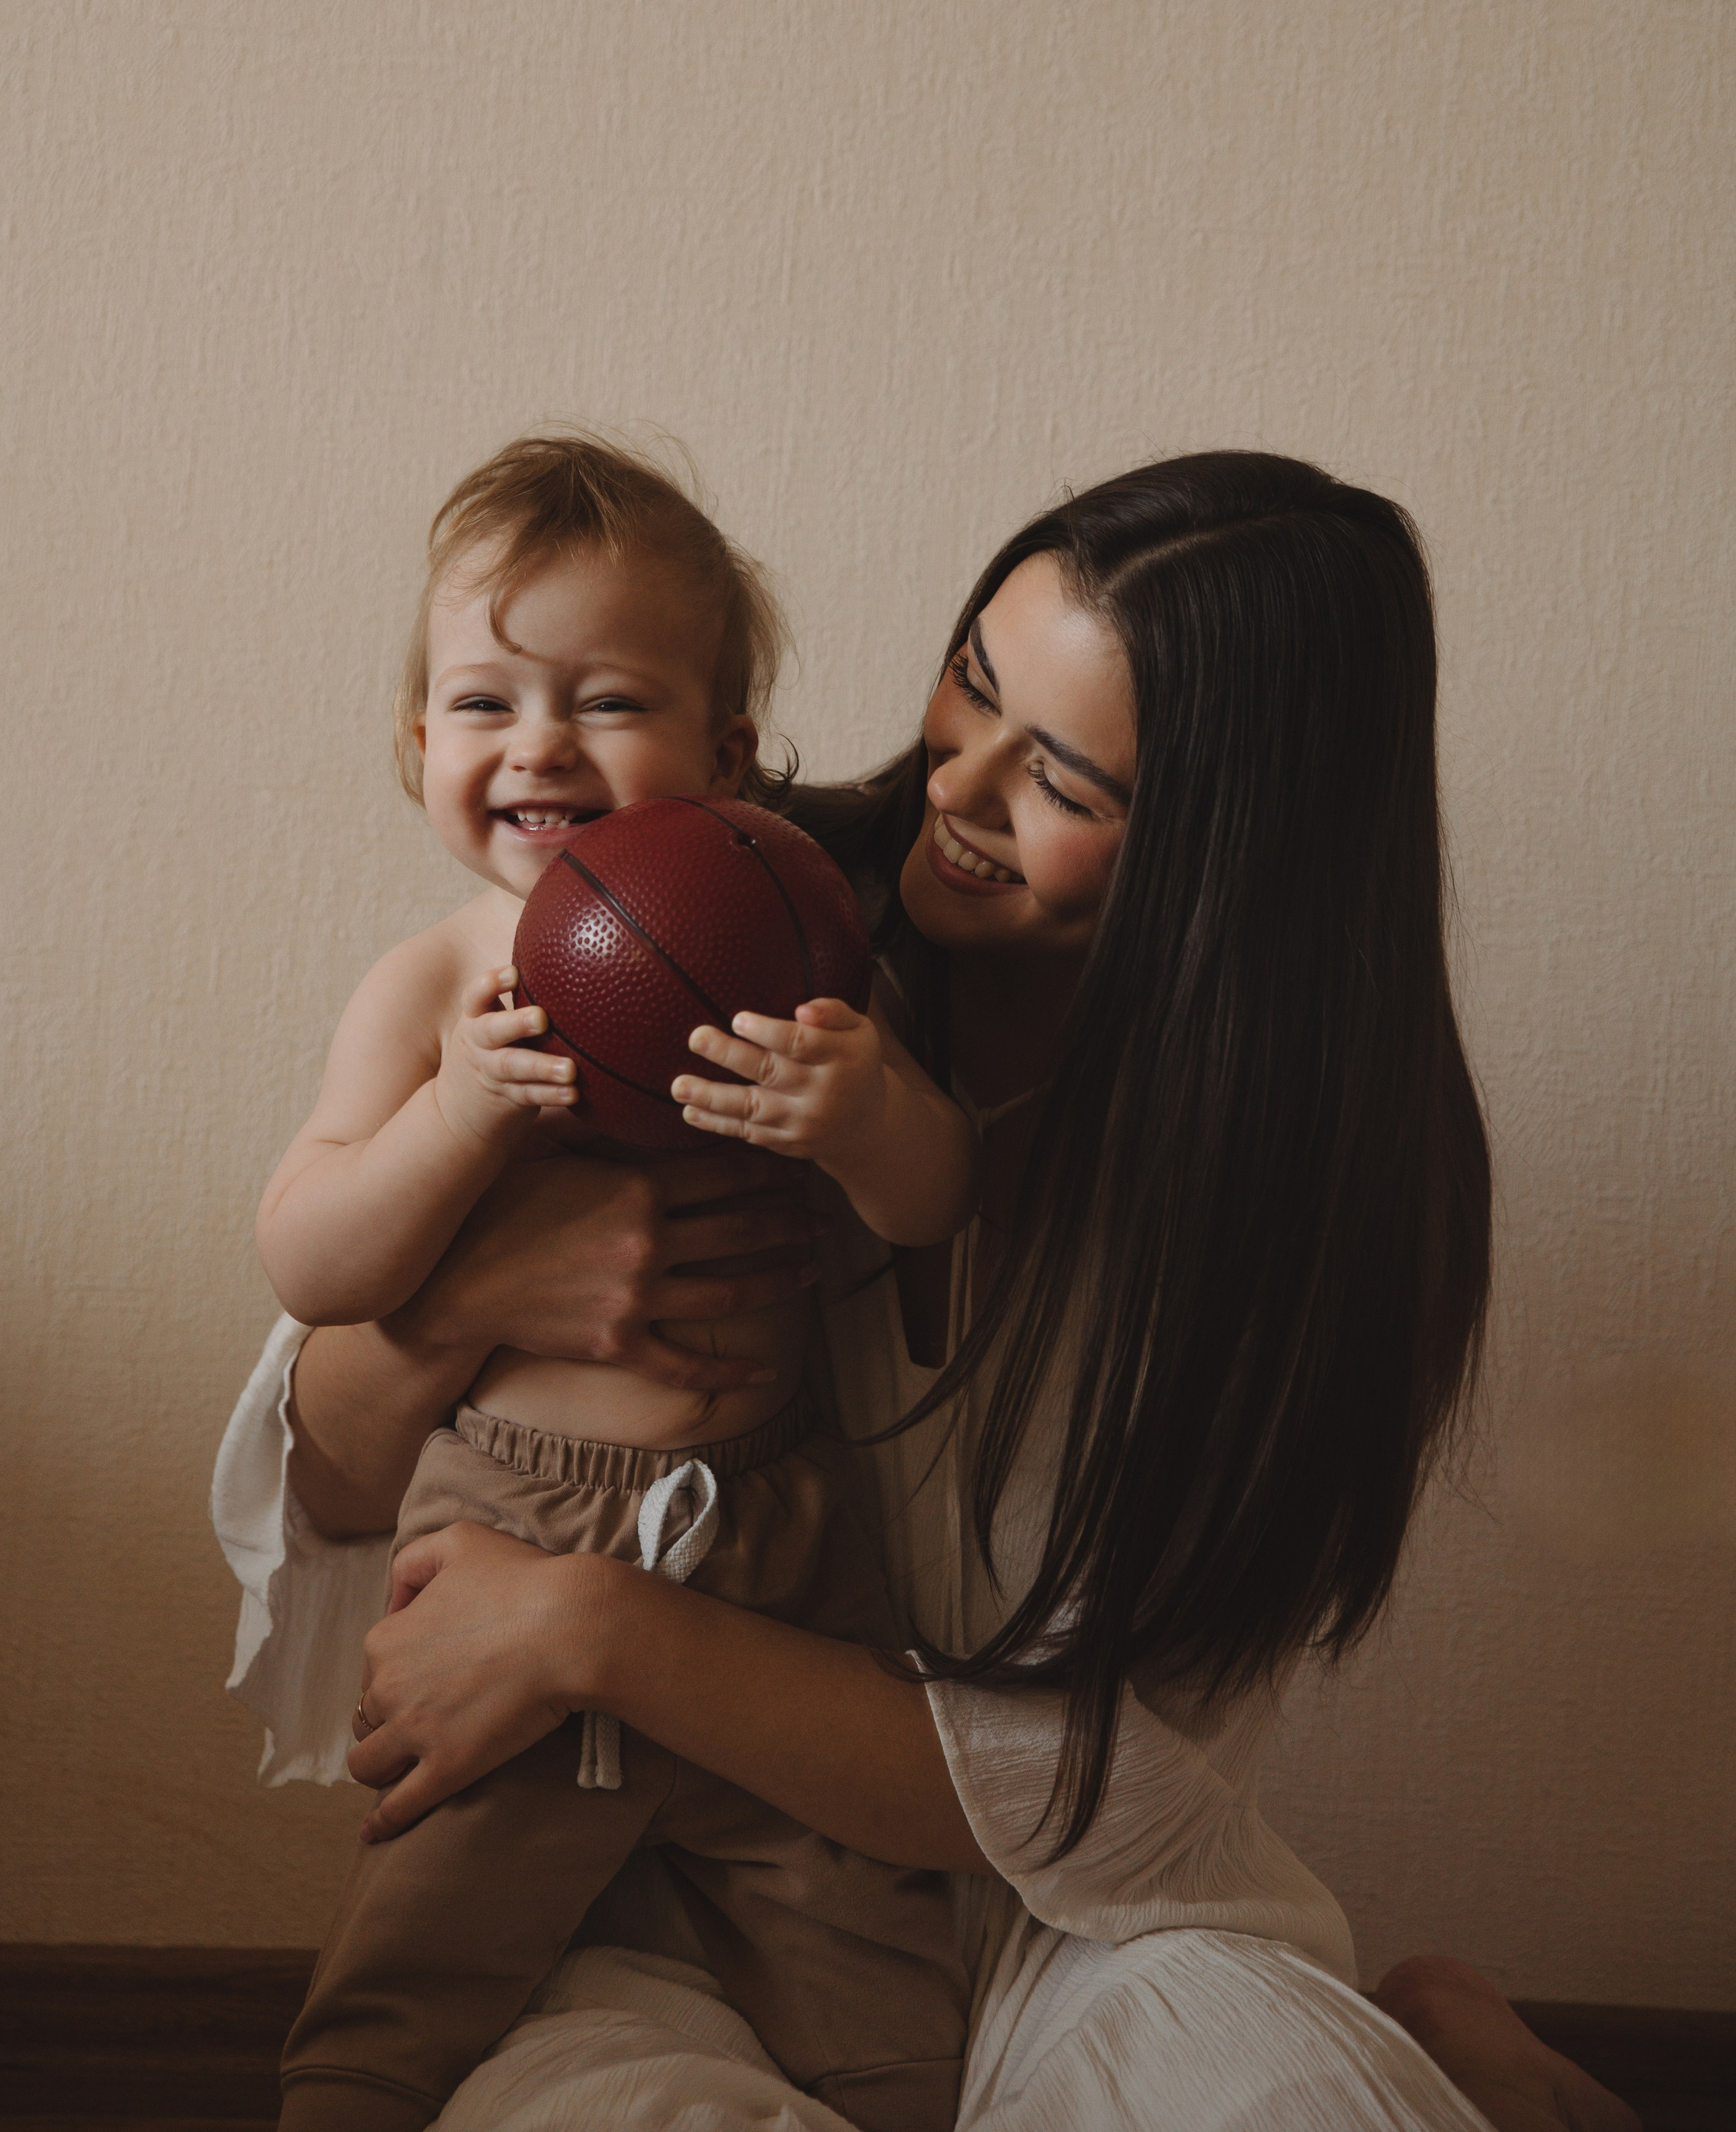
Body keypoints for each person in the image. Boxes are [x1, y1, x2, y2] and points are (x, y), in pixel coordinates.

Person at [216, 450, 1639, 2132]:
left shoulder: (1297, 1200)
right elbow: (324, 1464)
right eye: (969, 683)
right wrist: (482, 1299)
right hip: (635, 1879)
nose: (954, 787)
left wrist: (598, 1625)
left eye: (1063, 781)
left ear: (1224, 850)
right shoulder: (710, 913)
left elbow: (1116, 1788)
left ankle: (1415, 2052)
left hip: (1070, 1910)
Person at [258, 433, 977, 2132]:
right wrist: (456, 1118)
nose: (540, 746)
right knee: (403, 1992)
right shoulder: (439, 984)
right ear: (419, 743)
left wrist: (863, 1116)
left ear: (728, 755)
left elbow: (939, 1203)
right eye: (488, 702)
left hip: (778, 1543)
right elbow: (309, 1254)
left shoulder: (786, 943)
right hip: (520, 1527)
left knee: (889, 2019)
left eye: (605, 700)